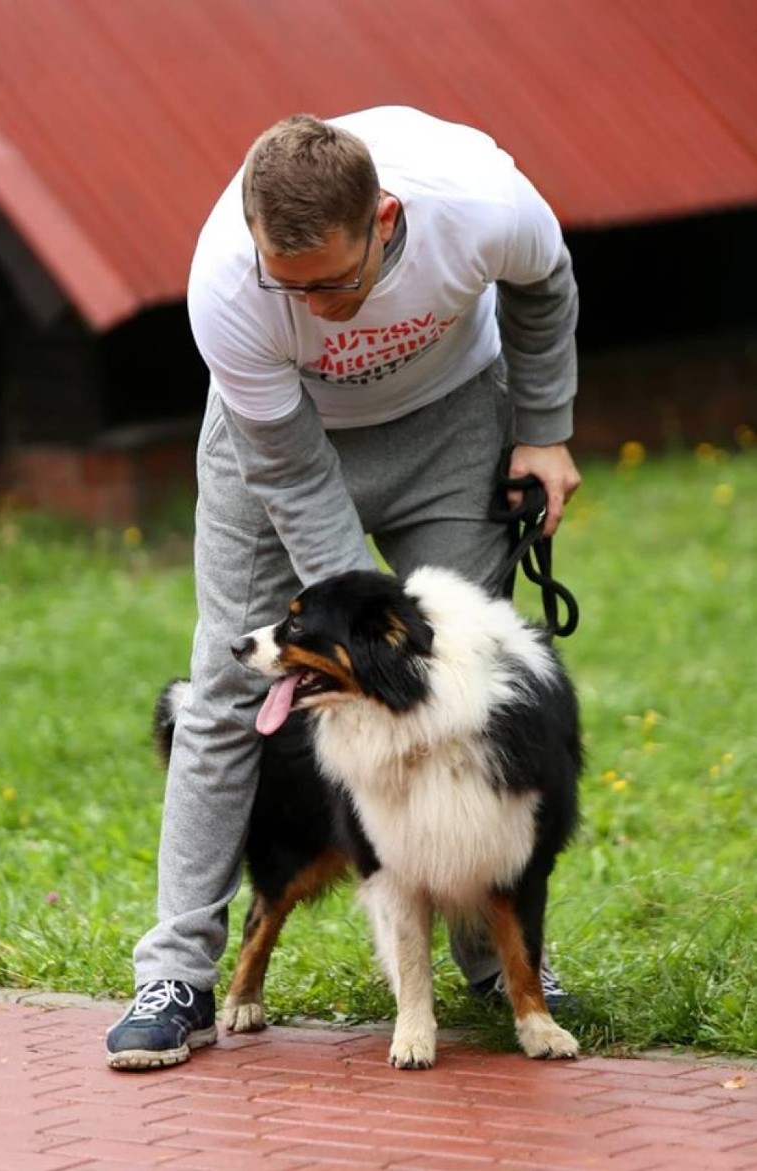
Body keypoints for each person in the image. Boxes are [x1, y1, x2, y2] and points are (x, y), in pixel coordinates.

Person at [106, 105, 581, 1069]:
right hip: (274, 448)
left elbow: (547, 285)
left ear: (388, 220)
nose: (316, 307)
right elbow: (290, 470)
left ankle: (494, 962)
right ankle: (177, 972)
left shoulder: (481, 203)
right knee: (227, 686)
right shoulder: (226, 287)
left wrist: (545, 425)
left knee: (460, 682)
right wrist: (352, 610)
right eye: (291, 288)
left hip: (447, 422)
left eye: (334, 282)